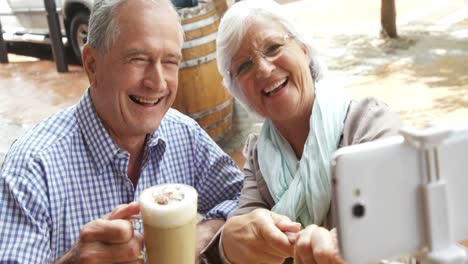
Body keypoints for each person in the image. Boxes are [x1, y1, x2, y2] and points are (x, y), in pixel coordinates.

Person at [0, 0, 243, 263]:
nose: (158, 83)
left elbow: (242, 196)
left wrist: (205, 234)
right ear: (92, 64)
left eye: (170, 62)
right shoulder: (32, 168)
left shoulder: (183, 134)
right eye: (138, 59)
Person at [202, 0, 402, 263]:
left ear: (304, 50)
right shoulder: (259, 158)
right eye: (244, 66)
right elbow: (246, 224)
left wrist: (344, 247)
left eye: (273, 48)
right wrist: (230, 245)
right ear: (239, 92)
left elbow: (397, 225)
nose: (263, 68)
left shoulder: (367, 123)